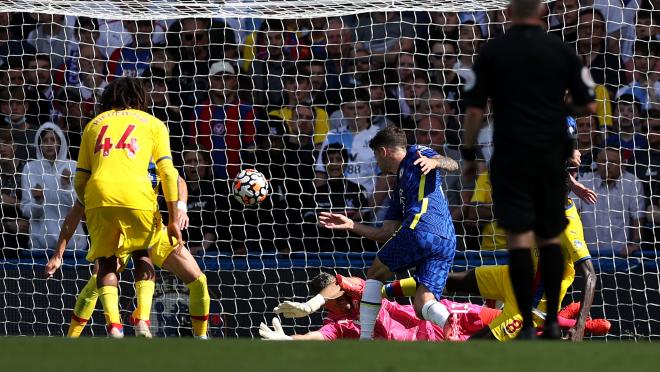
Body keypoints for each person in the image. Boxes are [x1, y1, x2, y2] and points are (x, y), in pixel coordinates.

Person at [461, 0, 596, 339]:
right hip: (545, 169)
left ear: (508, 13)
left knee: (521, 242)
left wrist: (467, 153)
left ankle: (528, 321)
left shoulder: (493, 52)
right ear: (544, 14)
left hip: (511, 160)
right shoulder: (561, 52)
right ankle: (548, 322)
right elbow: (588, 103)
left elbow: (475, 110)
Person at [311, 125, 458, 340]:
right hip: (446, 241)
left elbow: (451, 163)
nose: (376, 162)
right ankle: (447, 323)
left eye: (375, 155)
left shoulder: (416, 153)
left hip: (422, 229)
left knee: (374, 274)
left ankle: (366, 337)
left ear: (383, 151)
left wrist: (435, 161)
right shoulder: (398, 191)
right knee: (422, 304)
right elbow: (385, 233)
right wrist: (351, 225)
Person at [45, 165, 210, 339]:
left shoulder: (151, 153)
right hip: (118, 235)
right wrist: (58, 255)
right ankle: (72, 338)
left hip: (153, 231)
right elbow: (76, 211)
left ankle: (201, 338)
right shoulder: (105, 164)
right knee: (96, 281)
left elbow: (178, 180)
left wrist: (182, 209)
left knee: (199, 281)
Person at [73, 77, 183, 337]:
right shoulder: (154, 124)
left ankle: (114, 326)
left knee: (106, 263)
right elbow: (168, 174)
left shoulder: (92, 126)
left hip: (99, 194)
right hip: (137, 195)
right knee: (142, 255)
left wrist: (91, 205)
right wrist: (173, 218)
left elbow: (80, 178)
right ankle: (142, 321)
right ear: (139, 99)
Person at [262, 273, 609, 341]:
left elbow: (345, 284)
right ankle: (564, 319)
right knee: (509, 338)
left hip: (447, 315)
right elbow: (318, 336)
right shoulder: (341, 325)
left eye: (331, 293)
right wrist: (288, 340)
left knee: (507, 321)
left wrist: (314, 301)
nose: (334, 299)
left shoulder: (361, 296)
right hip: (436, 342)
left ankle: (571, 322)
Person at [20, 122, 87, 251]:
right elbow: (26, 211)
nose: (49, 144)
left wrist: (67, 187)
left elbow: (80, 208)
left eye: (53, 139)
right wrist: (37, 201)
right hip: (41, 248)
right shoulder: (30, 168)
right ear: (39, 144)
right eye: (45, 140)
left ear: (60, 142)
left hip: (73, 246)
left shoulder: (73, 166)